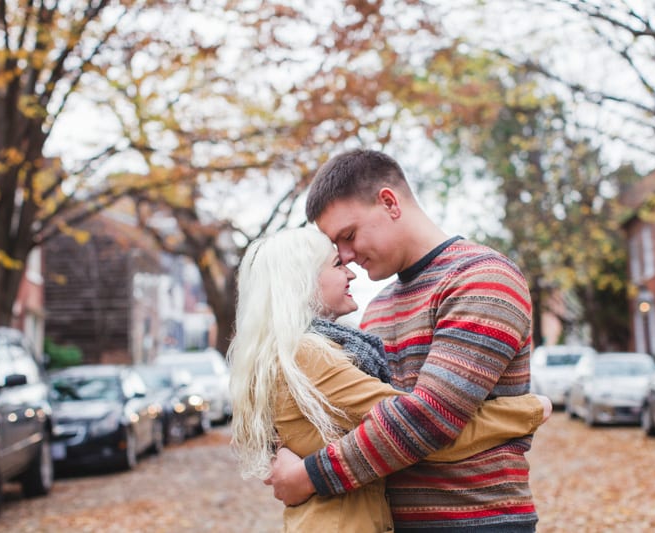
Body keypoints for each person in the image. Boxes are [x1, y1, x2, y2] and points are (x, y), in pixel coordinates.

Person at [267, 149, 540, 531]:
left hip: (475, 521)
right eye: (336, 246)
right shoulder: (377, 307)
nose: (345, 257)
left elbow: (430, 418)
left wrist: (309, 476)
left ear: (389, 203)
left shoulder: (482, 279)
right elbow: (363, 419)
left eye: (348, 236)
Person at [228, 226, 550, 532]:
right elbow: (418, 428)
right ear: (302, 280)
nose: (351, 271)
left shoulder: (288, 354)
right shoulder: (310, 355)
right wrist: (526, 411)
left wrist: (306, 475)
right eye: (337, 265)